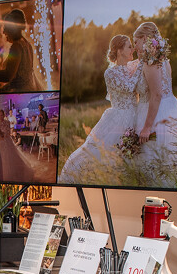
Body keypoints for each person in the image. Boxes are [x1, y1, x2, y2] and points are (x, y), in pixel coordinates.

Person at [58, 35, 139, 185]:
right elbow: (129, 87)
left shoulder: (133, 66)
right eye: (129, 46)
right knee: (107, 155)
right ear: (120, 51)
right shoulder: (110, 73)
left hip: (136, 115)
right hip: (119, 118)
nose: (132, 49)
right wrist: (141, 68)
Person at [132, 21, 177, 162]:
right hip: (171, 106)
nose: (134, 47)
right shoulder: (164, 59)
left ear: (144, 39)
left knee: (155, 158)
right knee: (169, 158)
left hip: (158, 112)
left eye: (136, 42)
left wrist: (147, 127)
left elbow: (157, 94)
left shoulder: (151, 61)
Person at [0, 108, 34, 183]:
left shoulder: (7, 122)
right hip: (1, 142)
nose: (0, 117)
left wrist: (2, 134)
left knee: (9, 157)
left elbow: (7, 132)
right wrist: (0, 134)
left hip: (6, 141)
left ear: (4, 115)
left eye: (2, 115)